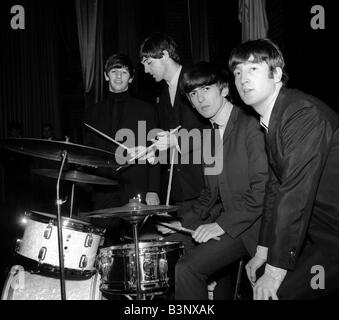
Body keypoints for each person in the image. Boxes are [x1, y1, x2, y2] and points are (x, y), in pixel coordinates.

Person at [229, 38, 339, 300]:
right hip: (325, 235)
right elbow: (274, 189)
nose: (243, 79)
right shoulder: (274, 119)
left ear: (276, 74)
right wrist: (263, 252)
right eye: (237, 72)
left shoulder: (301, 113)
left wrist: (275, 271)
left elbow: (294, 193)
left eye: (253, 68)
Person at [156, 62, 268, 299]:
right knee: (166, 250)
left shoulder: (250, 126)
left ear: (225, 90)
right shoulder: (209, 136)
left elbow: (262, 191)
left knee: (187, 269)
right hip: (227, 222)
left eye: (206, 89)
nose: (200, 99)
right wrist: (182, 223)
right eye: (193, 94)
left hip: (253, 227)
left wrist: (221, 225)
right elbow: (209, 195)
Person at [83, 53, 160, 243]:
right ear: (106, 75)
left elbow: (155, 151)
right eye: (114, 71)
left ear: (131, 77)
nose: (118, 76)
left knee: (137, 243)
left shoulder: (146, 110)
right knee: (106, 245)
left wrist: (153, 189)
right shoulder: (92, 112)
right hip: (103, 188)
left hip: (137, 185)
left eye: (124, 72)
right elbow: (88, 152)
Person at [139, 33, 210, 213]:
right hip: (180, 191)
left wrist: (177, 141)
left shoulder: (197, 79)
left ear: (164, 55)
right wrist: (150, 151)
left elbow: (214, 130)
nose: (146, 71)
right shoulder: (163, 96)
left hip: (208, 185)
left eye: (148, 63)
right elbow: (167, 140)